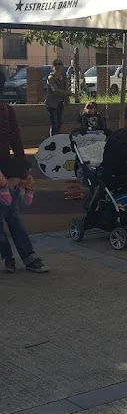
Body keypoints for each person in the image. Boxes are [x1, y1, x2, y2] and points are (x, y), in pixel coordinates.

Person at [0, 70, 49, 273]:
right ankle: (18, 257)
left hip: (6, 171)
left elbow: (16, 140)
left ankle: (17, 258)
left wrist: (24, 170)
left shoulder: (6, 111)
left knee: (11, 215)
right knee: (10, 215)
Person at [45, 59, 69, 136]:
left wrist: (67, 98)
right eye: (56, 64)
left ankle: (57, 138)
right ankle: (53, 140)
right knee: (54, 123)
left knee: (60, 122)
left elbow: (65, 88)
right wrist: (69, 93)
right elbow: (55, 90)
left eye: (59, 64)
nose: (58, 66)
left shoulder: (63, 77)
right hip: (52, 104)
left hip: (60, 103)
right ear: (53, 67)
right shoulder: (51, 78)